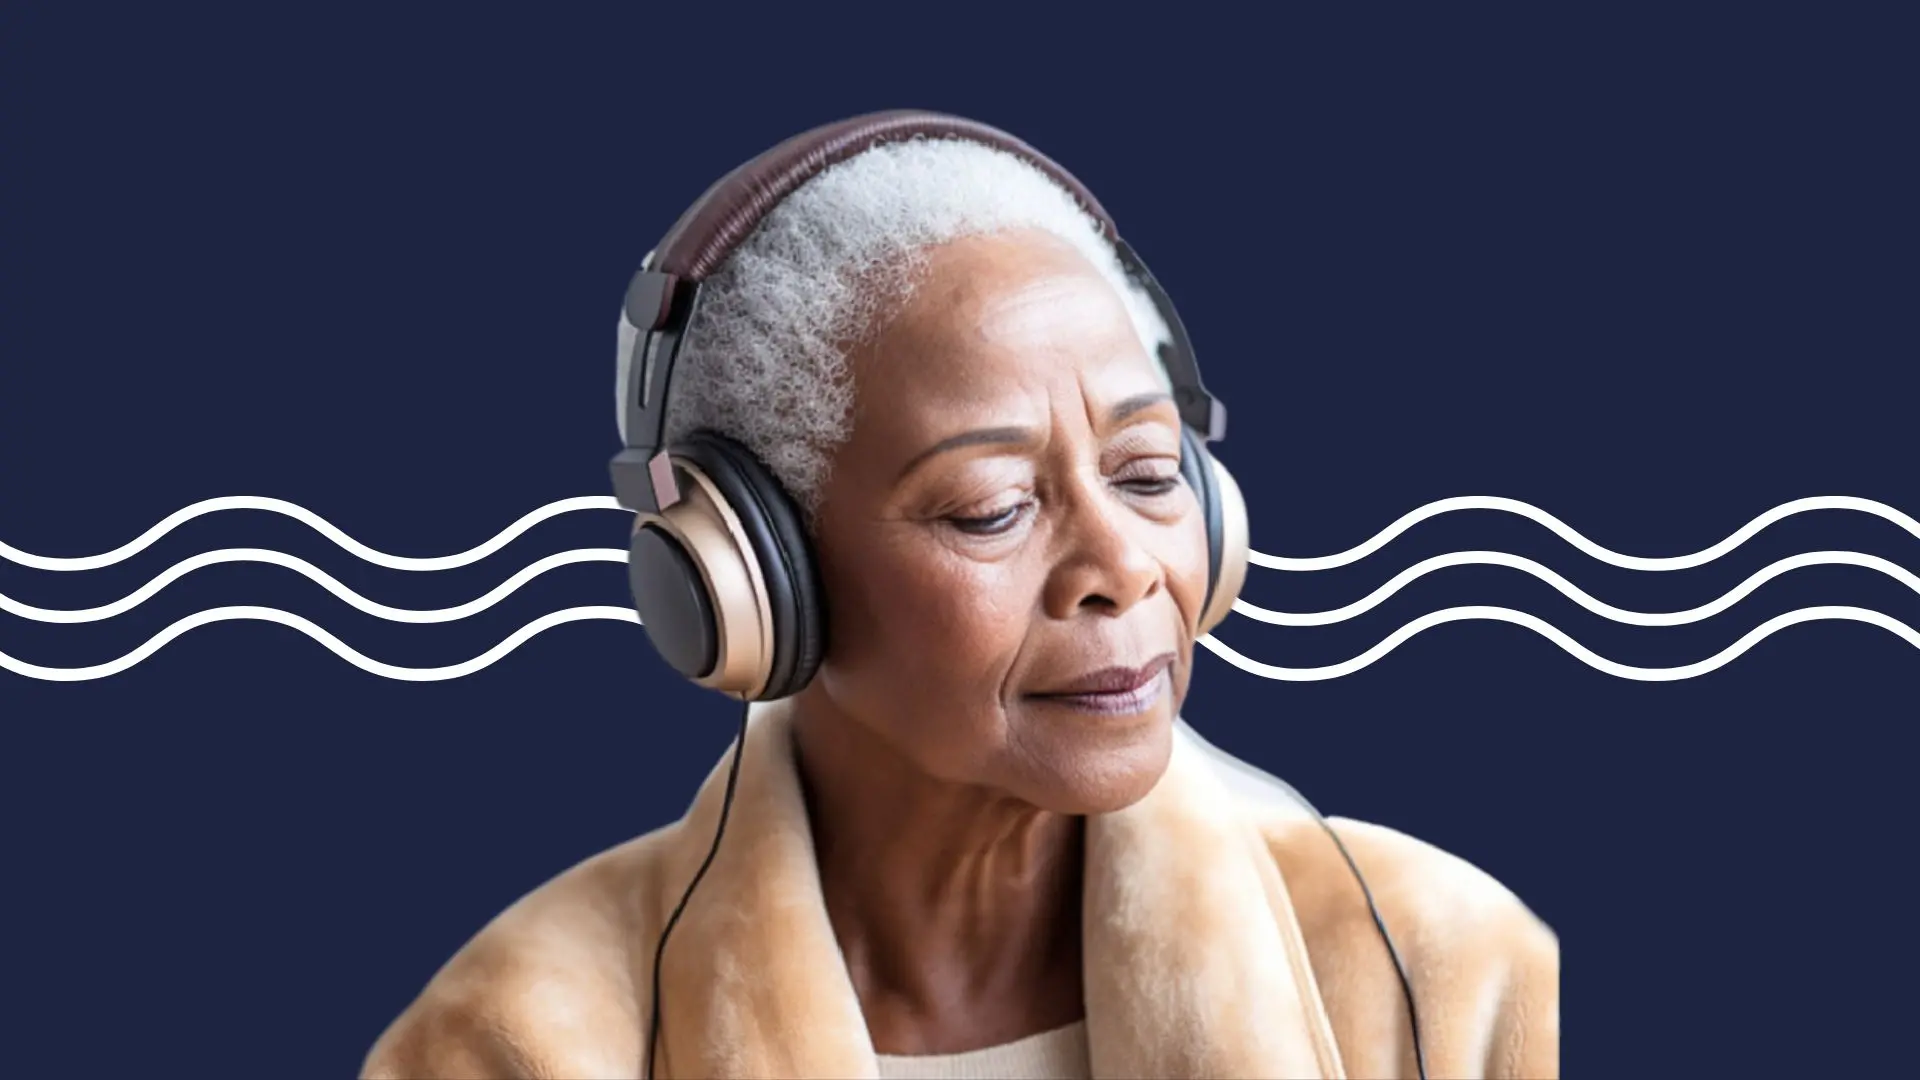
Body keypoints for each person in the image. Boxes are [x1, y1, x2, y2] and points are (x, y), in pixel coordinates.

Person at [361, 111, 1559, 1080]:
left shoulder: (1454, 978)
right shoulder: (516, 1041)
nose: (1125, 569)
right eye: (991, 507)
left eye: (1148, 475)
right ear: (754, 577)